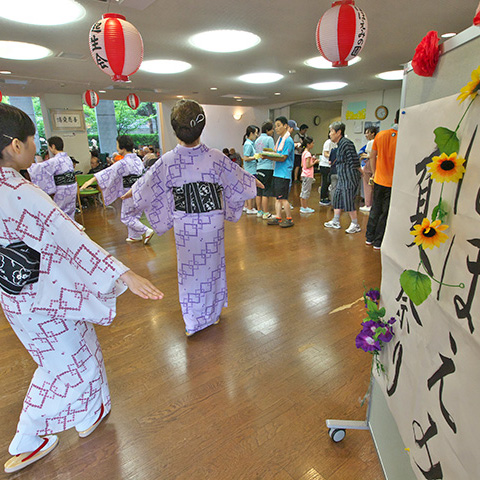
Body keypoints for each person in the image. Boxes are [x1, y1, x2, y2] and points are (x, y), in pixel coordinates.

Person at [0, 103, 163, 474]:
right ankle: (30, 436)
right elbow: (70, 239)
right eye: (31, 140)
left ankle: (94, 409)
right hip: (44, 295)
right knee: (63, 365)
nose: (34, 146)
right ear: (14, 146)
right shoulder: (20, 193)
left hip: (15, 296)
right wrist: (124, 274)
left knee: (79, 352)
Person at [125, 99, 259, 336]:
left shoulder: (168, 160)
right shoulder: (216, 156)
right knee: (214, 266)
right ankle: (214, 312)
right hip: (212, 222)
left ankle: (194, 321)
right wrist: (255, 182)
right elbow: (239, 178)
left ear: (175, 130)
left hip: (186, 224)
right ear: (202, 126)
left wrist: (130, 193)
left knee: (190, 272)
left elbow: (146, 186)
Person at [81, 135, 154, 244]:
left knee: (126, 216)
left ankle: (146, 230)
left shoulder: (123, 163)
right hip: (140, 190)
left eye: (117, 145)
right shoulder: (138, 160)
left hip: (129, 191)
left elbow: (108, 172)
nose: (116, 147)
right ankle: (135, 236)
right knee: (134, 214)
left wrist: (90, 181)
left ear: (122, 148)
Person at [365, 110, 399, 250]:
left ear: (395, 120)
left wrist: (374, 173)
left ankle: (369, 237)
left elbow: (372, 156)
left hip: (379, 179)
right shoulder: (404, 137)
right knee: (385, 213)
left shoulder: (381, 135)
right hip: (393, 182)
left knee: (375, 209)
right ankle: (378, 242)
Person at [324, 122, 362, 233]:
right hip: (342, 176)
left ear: (338, 132)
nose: (330, 134)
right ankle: (336, 220)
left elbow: (354, 161)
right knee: (337, 197)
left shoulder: (347, 143)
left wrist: (362, 172)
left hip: (349, 177)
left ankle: (355, 224)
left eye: (331, 131)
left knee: (348, 199)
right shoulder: (340, 144)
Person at [27, 136, 77, 220]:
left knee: (59, 212)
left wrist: (29, 166)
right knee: (70, 211)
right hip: (72, 186)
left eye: (49, 147)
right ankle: (72, 228)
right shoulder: (67, 158)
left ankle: (62, 230)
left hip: (63, 189)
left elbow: (39, 168)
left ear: (53, 146)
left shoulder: (56, 160)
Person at [266, 116, 295, 228]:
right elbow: (276, 154)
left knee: (283, 198)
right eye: (275, 126)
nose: (276, 128)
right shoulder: (279, 140)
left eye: (279, 126)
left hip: (284, 174)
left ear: (285, 126)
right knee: (277, 198)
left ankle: (289, 218)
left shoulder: (288, 140)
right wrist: (268, 155)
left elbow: (283, 157)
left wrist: (268, 157)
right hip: (277, 173)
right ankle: (278, 217)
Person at [254, 120, 275, 219]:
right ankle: (266, 213)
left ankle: (259, 211)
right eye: (272, 130)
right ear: (267, 130)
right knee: (266, 191)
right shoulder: (269, 139)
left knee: (259, 191)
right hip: (267, 168)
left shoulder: (257, 140)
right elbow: (272, 153)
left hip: (258, 168)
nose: (273, 131)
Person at [359, 126, 378, 213]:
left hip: (369, 165)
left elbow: (370, 155)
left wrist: (363, 156)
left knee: (367, 185)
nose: (366, 135)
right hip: (376, 165)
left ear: (372, 133)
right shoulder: (378, 141)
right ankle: (372, 204)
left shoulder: (371, 142)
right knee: (373, 186)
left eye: (367, 133)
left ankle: (368, 204)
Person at [242, 125, 259, 215]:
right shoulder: (248, 144)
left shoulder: (250, 143)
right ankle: (250, 207)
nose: (256, 135)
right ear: (251, 133)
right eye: (256, 133)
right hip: (251, 170)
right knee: (250, 189)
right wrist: (255, 157)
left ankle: (246, 206)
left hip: (250, 169)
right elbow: (246, 158)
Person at [299, 136, 318, 213]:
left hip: (304, 174)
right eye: (312, 143)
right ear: (308, 144)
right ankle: (304, 207)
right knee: (306, 191)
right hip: (308, 175)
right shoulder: (308, 154)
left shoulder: (304, 153)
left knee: (303, 190)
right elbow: (307, 166)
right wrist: (314, 162)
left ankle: (303, 206)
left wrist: (311, 161)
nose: (313, 145)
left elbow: (302, 165)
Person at [318, 133, 335, 206]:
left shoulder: (334, 143)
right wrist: (333, 157)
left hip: (330, 165)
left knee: (328, 182)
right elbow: (325, 153)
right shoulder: (328, 142)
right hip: (325, 165)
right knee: (325, 182)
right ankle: (323, 198)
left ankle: (326, 196)